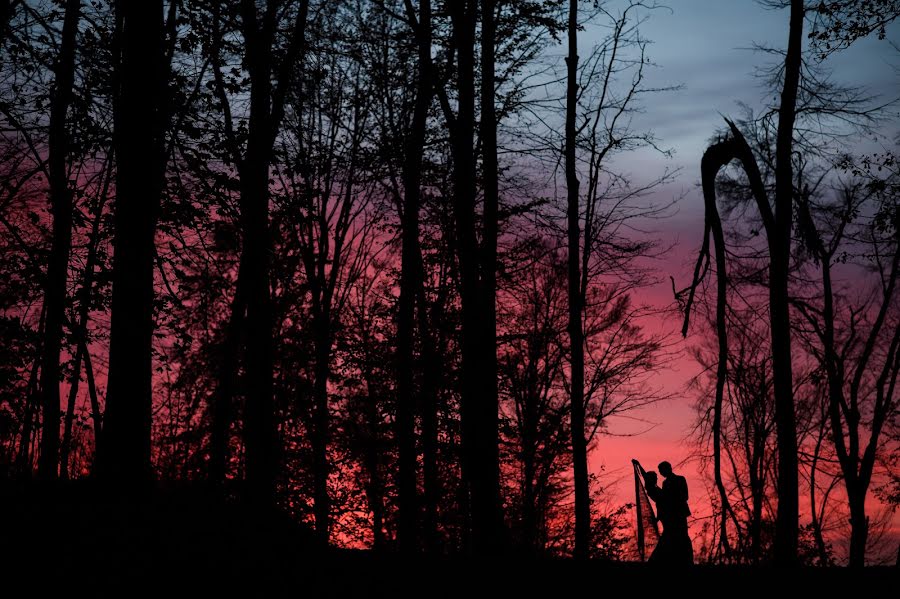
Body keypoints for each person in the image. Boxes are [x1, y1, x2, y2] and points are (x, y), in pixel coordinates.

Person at [633, 459, 693, 566]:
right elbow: (647, 478)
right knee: (671, 538)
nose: (660, 474)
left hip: (678, 514)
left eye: (661, 471)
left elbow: (684, 496)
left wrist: (673, 501)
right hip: (669, 516)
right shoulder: (662, 485)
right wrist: (639, 465)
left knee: (680, 537)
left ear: (668, 469)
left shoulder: (679, 479)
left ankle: (681, 561)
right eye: (659, 472)